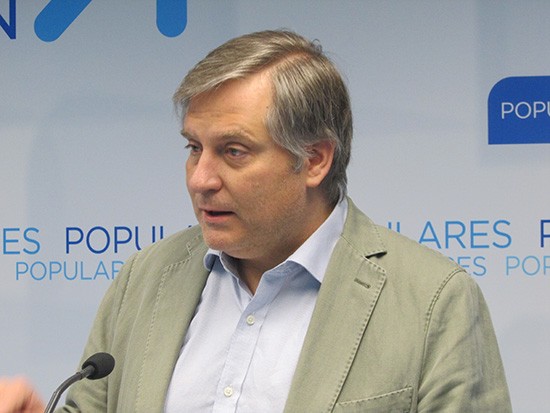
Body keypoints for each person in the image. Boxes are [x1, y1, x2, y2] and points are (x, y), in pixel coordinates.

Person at [0, 29, 511, 412]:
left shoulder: (433, 301)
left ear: (314, 160)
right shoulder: (145, 278)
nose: (201, 179)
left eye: (234, 151)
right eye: (193, 148)